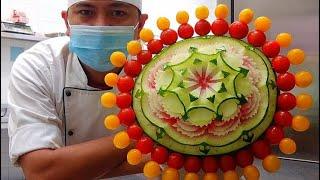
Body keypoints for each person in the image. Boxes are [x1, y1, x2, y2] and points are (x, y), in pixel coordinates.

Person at [7, 0, 149, 179]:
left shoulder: (156, 71)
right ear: (67, 22)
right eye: (85, 12)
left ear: (140, 26)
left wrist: (69, 170)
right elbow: (39, 172)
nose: (101, 26)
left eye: (118, 13)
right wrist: (147, 138)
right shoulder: (39, 66)